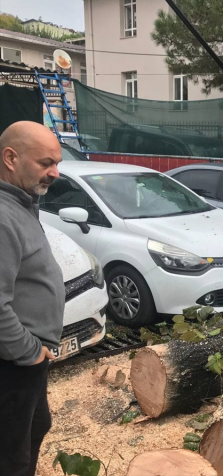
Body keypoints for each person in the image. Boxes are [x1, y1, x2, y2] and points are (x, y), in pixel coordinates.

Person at [0, 121, 65, 476]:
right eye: (45, 163)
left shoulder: (21, 201)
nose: (54, 173)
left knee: (35, 429)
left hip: (25, 363)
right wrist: (28, 352)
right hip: (12, 365)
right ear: (11, 158)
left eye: (57, 163)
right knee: (11, 457)